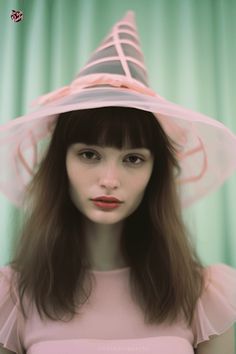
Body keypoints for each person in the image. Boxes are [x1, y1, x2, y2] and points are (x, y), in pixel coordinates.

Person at [0, 11, 236, 354]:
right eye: (89, 155)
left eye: (133, 159)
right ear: (60, 163)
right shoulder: (12, 294)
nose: (110, 180)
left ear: (155, 172)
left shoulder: (203, 291)